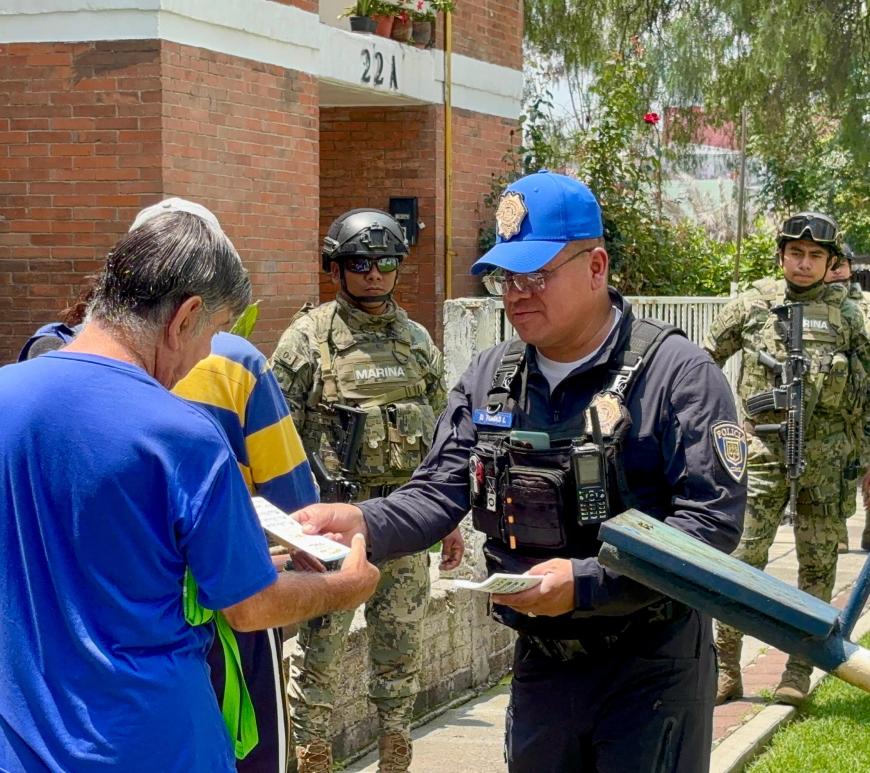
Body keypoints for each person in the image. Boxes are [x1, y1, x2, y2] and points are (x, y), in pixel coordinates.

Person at [288, 172, 747, 773]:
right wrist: (359, 521)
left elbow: (711, 526)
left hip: (652, 666)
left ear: (597, 265)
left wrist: (587, 583)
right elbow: (437, 488)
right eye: (507, 278)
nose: (518, 294)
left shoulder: (678, 374)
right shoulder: (491, 376)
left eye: (538, 276)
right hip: (541, 660)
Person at [0, 205, 380, 772]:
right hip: (154, 743)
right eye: (215, 334)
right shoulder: (181, 435)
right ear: (186, 317)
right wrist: (348, 586)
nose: (206, 357)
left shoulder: (7, 394)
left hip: (24, 741)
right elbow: (251, 609)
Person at [271, 208, 463, 773]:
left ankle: (396, 750)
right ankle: (311, 755)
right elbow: (271, 434)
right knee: (318, 651)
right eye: (361, 263)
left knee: (400, 646)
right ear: (337, 268)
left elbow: (442, 433)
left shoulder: (416, 341)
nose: (374, 275)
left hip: (401, 521)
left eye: (386, 263)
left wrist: (446, 518)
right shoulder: (308, 339)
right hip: (331, 525)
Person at [705, 212, 870, 707]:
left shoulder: (849, 316)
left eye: (815, 256)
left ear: (831, 261)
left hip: (827, 459)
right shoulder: (754, 304)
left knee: (817, 565)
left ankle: (798, 671)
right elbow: (701, 362)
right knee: (741, 560)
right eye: (795, 254)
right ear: (781, 256)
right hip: (760, 454)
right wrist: (721, 426)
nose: (803, 264)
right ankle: (725, 668)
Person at [823, 246, 870, 553]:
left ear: (851, 268)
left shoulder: (865, 305)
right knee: (832, 471)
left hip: (866, 401)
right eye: (833, 264)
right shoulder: (813, 304)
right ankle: (835, 534)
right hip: (833, 404)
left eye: (843, 264)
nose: (838, 270)